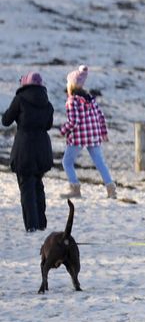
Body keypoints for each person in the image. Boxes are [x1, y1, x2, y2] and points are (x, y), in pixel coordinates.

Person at [3, 72, 54, 232]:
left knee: (27, 188)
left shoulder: (20, 99)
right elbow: (48, 125)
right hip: (42, 148)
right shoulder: (47, 103)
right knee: (38, 185)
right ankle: (41, 224)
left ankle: (31, 225)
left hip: (24, 148)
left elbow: (5, 121)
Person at [58, 65, 114, 199]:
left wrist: (62, 130)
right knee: (100, 162)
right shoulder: (90, 98)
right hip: (94, 135)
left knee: (67, 162)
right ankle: (111, 189)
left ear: (71, 85)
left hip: (79, 137)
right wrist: (103, 132)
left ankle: (75, 188)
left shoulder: (72, 101)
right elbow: (100, 115)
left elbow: (74, 121)